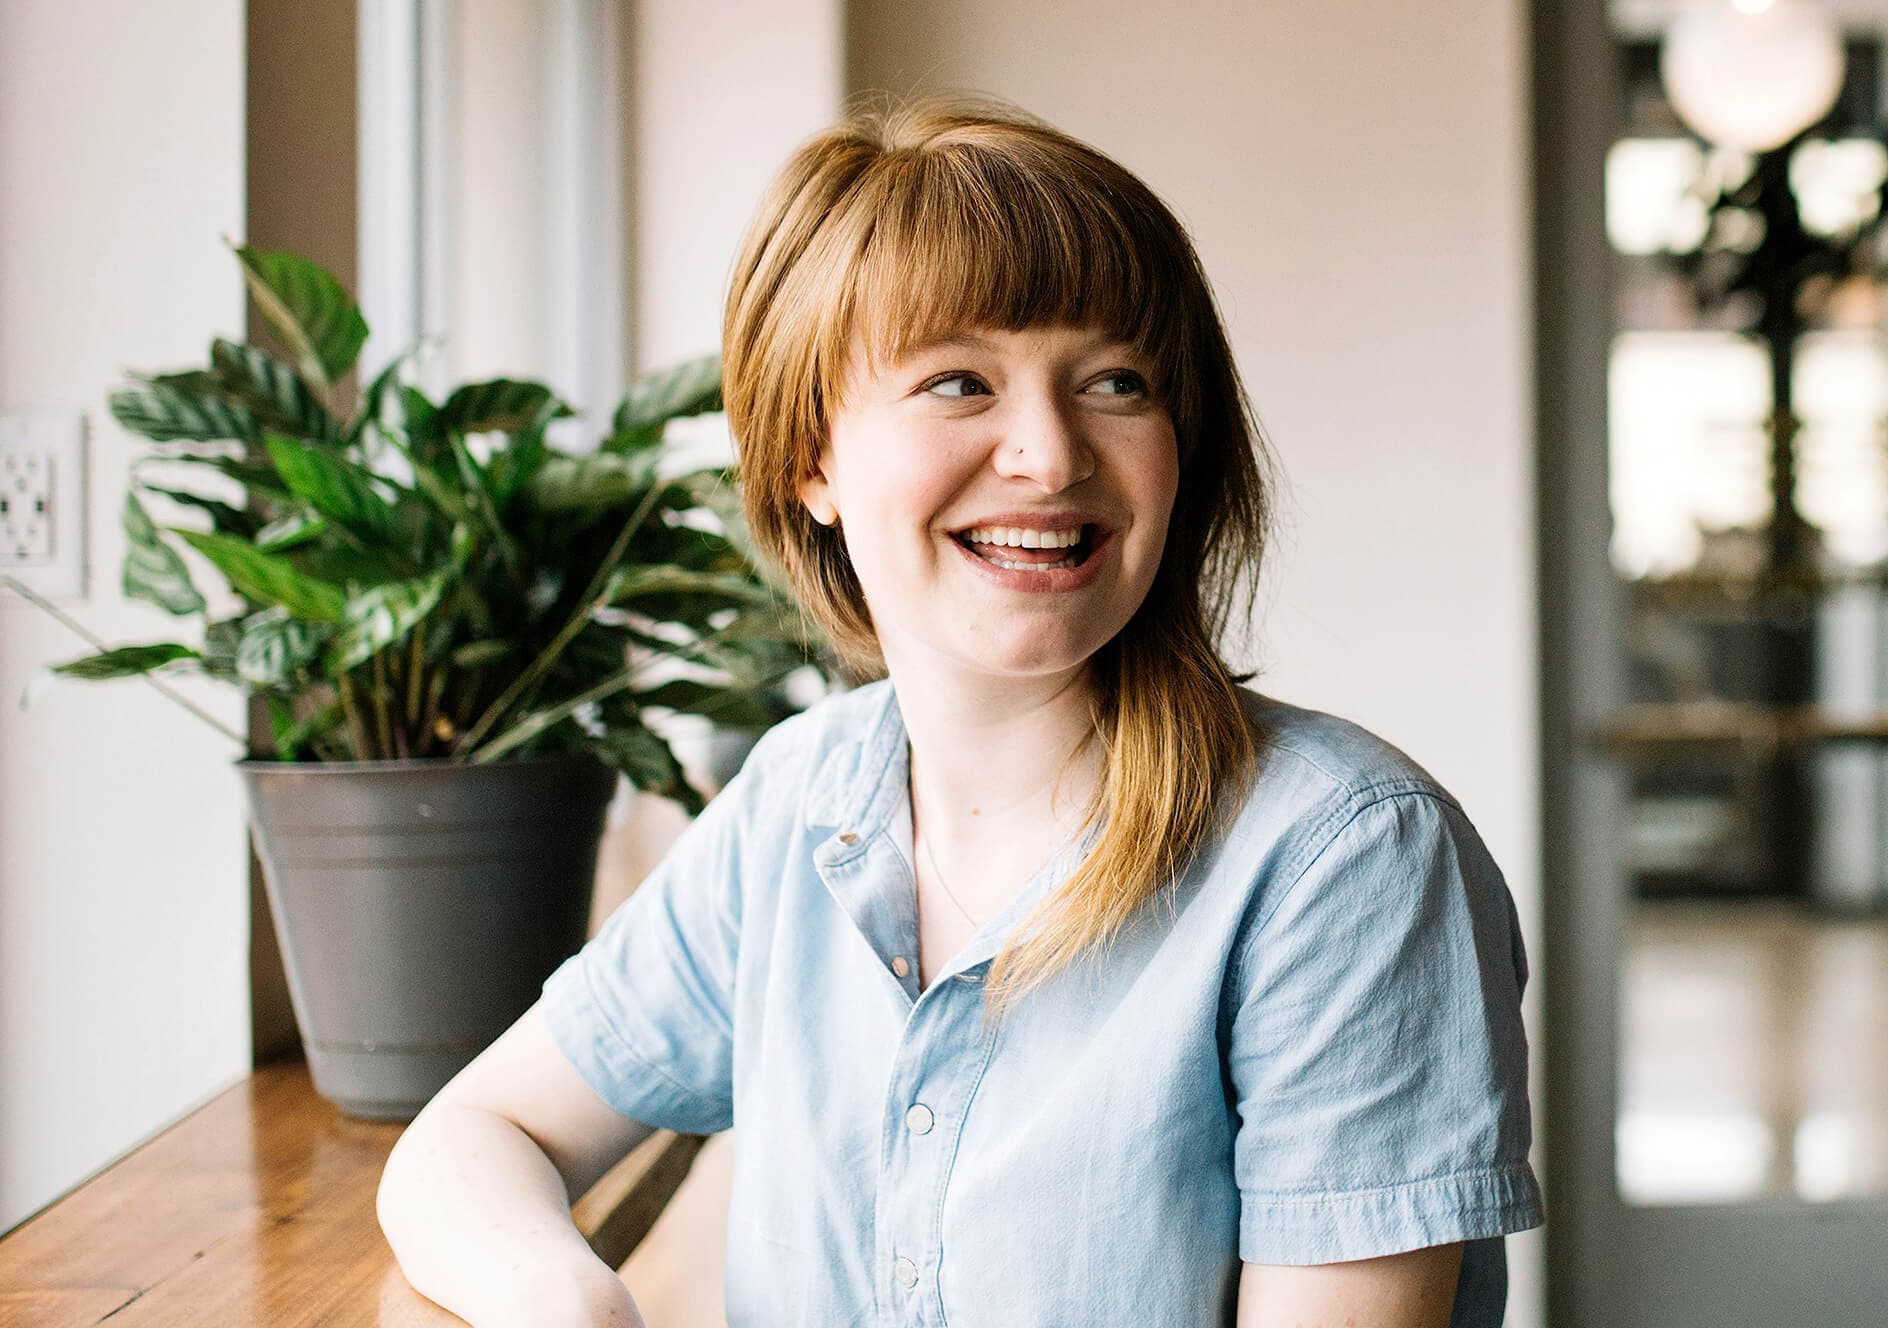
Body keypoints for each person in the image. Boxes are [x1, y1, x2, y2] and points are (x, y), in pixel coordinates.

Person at [377, 93, 1543, 1328]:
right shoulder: (798, 795)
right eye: (956, 381)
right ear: (810, 459)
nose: (1048, 454)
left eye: (1114, 379)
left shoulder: (1344, 855)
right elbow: (477, 1131)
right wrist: (564, 1299)